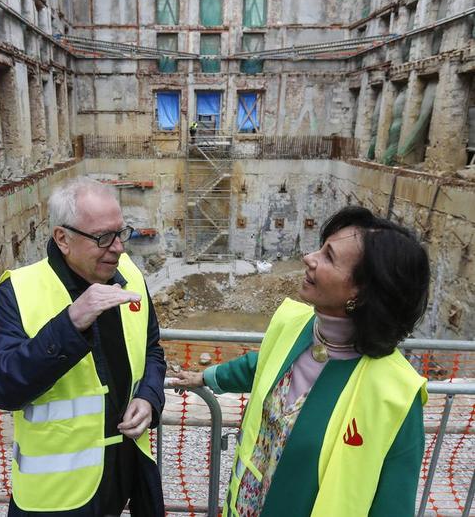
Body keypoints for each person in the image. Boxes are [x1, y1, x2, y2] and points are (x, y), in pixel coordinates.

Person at [171, 206, 430, 517]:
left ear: (362, 293)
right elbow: (262, 366)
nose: (309, 258)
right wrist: (207, 377)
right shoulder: (294, 325)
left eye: (329, 256)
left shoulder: (396, 395)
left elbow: (393, 505)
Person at [0, 177, 166, 516]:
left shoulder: (129, 274)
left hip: (128, 473)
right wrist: (70, 323)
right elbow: (0, 388)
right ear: (63, 239)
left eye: (121, 232)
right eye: (103, 238)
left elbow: (152, 350)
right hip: (58, 497)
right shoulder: (19, 291)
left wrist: (149, 397)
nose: (119, 248)